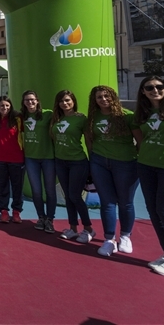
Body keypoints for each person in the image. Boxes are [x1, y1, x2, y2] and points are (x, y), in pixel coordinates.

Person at [85, 85, 141, 257]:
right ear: (94, 100)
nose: (103, 99)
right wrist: (93, 158)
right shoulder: (93, 118)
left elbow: (140, 141)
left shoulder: (127, 116)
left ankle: (125, 236)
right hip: (100, 162)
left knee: (125, 202)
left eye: (106, 96)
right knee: (107, 202)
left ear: (113, 97)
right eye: (99, 97)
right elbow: (89, 141)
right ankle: (109, 239)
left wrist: (131, 158)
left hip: (125, 163)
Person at [134, 76, 164, 277]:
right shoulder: (142, 113)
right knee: (153, 211)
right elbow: (142, 140)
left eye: (159, 86)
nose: (155, 90)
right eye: (149, 87)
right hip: (146, 166)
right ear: (143, 91)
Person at [51, 90, 95, 243]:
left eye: (68, 100)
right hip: (60, 161)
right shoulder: (56, 119)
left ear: (73, 101)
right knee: (68, 196)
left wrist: (92, 162)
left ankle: (89, 228)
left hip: (78, 162)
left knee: (75, 196)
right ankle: (73, 228)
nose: (65, 103)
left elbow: (89, 141)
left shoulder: (81, 118)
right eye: (62, 101)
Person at [21, 91, 56, 233]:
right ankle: (41, 217)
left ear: (37, 101)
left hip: (48, 157)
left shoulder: (48, 114)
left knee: (50, 190)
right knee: (36, 190)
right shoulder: (21, 117)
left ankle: (50, 219)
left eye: (32, 99)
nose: (30, 102)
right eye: (27, 100)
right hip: (31, 158)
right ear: (23, 102)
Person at [0, 96, 25, 224]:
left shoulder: (18, 119)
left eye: (7, 106)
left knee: (17, 187)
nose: (4, 108)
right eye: (1, 106)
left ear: (11, 106)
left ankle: (16, 212)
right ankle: (4, 211)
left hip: (16, 158)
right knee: (1, 186)